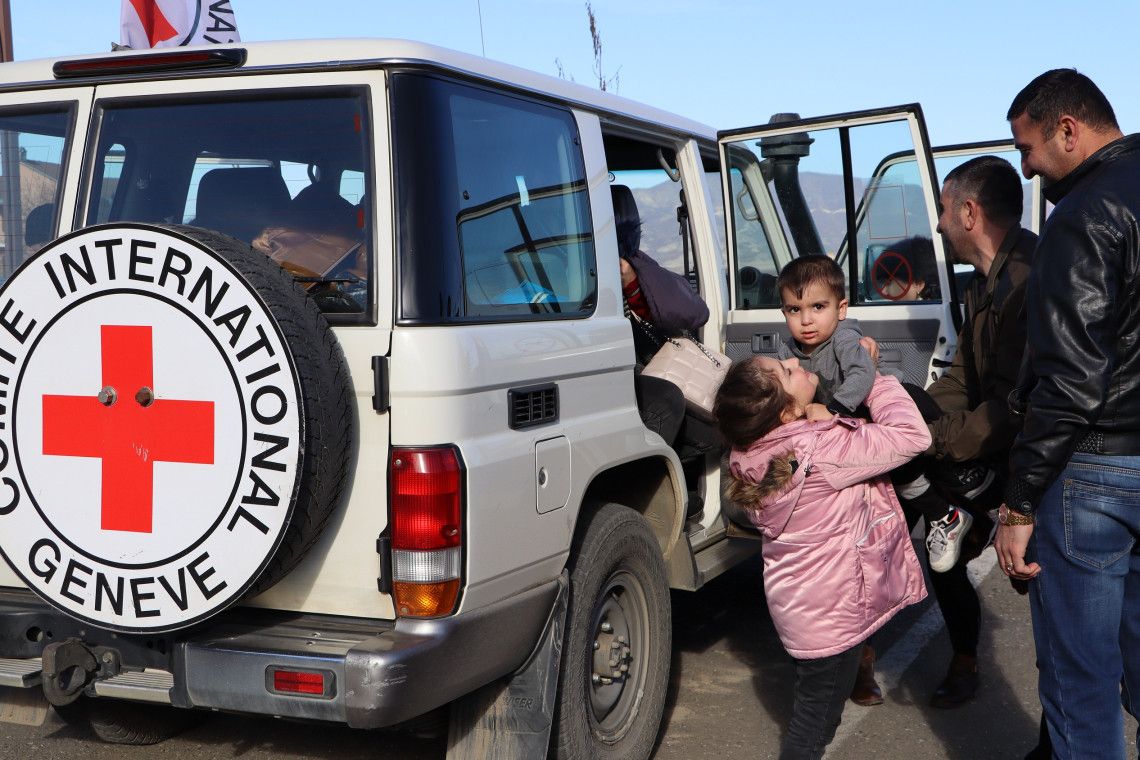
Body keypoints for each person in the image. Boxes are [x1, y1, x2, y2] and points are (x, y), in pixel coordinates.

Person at [995, 68, 1140, 759]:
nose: (1027, 168)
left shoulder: (1081, 216)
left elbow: (1072, 381)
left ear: (1068, 130)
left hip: (1096, 472)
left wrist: (1019, 503)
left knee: (1082, 687)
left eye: (1028, 149)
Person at [715, 357, 928, 760]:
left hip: (801, 609)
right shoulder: (821, 450)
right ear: (786, 412)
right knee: (815, 725)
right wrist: (873, 379)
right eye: (787, 370)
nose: (795, 360)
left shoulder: (752, 452)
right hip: (831, 618)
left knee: (812, 706)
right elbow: (912, 435)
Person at [912, 155, 1039, 713]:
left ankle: (1059, 738)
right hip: (997, 446)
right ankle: (966, 658)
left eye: (942, 210)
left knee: (1063, 626)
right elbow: (962, 373)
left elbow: (1013, 407)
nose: (938, 224)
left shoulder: (1028, 281)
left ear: (968, 212)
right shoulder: (985, 284)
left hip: (1038, 463)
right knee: (905, 412)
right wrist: (915, 422)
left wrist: (931, 442)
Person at [775, 255, 972, 574]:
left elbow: (861, 375)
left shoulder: (844, 338)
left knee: (904, 473)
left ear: (841, 309)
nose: (806, 320)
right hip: (848, 429)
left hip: (881, 413)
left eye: (818, 307)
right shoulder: (788, 352)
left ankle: (946, 514)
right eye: (795, 310)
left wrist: (834, 409)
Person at [613, 185, 719, 504]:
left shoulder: (634, 266)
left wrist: (633, 281)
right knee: (667, 400)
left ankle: (667, 487)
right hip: (619, 380)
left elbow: (693, 311)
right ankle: (643, 498)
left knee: (719, 429)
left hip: (636, 370)